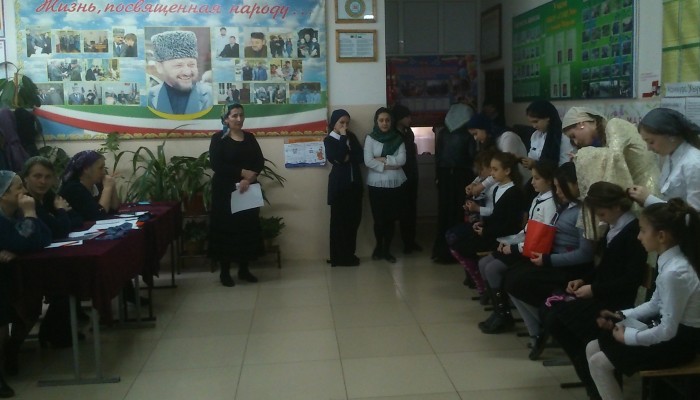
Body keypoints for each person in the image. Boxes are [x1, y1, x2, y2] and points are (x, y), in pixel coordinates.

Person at [586, 199, 700, 400]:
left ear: (661, 236)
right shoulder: (669, 260)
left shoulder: (675, 272)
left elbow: (668, 330)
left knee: (599, 362)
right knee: (592, 347)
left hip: (681, 343)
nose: (638, 236)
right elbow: (655, 304)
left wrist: (629, 337)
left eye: (643, 231)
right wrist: (620, 315)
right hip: (672, 333)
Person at [547, 182, 647, 399]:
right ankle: (589, 375)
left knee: (563, 322)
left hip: (616, 301)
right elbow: (604, 268)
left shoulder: (632, 232)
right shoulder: (614, 227)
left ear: (616, 207)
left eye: (602, 213)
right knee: (554, 316)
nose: (601, 219)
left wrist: (594, 289)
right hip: (603, 293)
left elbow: (630, 280)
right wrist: (584, 280)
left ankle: (596, 380)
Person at [503, 161, 594, 359]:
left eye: (561, 187)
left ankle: (547, 325)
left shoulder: (583, 212)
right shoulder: (566, 206)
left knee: (520, 281)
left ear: (575, 185)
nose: (557, 192)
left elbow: (585, 254)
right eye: (556, 187)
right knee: (510, 276)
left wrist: (549, 260)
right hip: (552, 260)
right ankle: (538, 328)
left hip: (570, 269)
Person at [476, 160, 557, 334]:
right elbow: (527, 230)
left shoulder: (551, 203)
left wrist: (513, 247)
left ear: (550, 180)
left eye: (537, 178)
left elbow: (540, 238)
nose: (532, 182)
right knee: (484, 263)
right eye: (532, 178)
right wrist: (510, 241)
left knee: (492, 268)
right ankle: (499, 311)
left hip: (532, 251)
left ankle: (504, 315)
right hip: (523, 245)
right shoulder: (538, 198)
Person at [562, 106, 659, 239]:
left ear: (581, 124)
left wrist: (582, 156)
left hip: (647, 188)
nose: (576, 142)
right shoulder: (604, 137)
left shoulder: (614, 124)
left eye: (573, 136)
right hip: (637, 188)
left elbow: (615, 157)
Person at [0, 170, 52, 398]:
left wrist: (29, 217)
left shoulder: (16, 213)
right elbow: (20, 241)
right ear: (3, 194)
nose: (24, 191)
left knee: (30, 304)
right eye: (18, 187)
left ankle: (11, 351)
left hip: (10, 275)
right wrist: (30, 214)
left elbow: (44, 238)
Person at [446, 152, 526, 301]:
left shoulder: (514, 193)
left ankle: (491, 293)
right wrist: (483, 223)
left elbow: (509, 223)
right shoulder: (497, 189)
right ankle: (489, 291)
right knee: (460, 243)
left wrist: (486, 230)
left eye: (495, 169)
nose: (491, 173)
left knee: (464, 246)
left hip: (505, 238)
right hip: (495, 233)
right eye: (491, 169)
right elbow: (496, 215)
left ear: (507, 171)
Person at [208, 104, 264, 287]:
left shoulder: (250, 137)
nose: (239, 119)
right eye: (234, 116)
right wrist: (242, 172)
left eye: (241, 115)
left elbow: (259, 161)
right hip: (225, 192)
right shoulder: (218, 139)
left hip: (247, 190)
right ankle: (224, 272)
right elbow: (216, 164)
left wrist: (249, 178)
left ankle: (244, 269)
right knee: (226, 230)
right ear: (226, 119)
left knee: (246, 228)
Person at [627, 107, 700, 211]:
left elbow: (694, 214)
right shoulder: (671, 157)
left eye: (651, 142)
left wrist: (649, 200)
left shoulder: (693, 163)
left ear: (671, 135)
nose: (649, 148)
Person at [432, 102, 477, 263]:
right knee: (459, 212)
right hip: (462, 175)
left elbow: (438, 157)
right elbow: (473, 157)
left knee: (444, 212)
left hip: (444, 176)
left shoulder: (443, 133)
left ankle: (440, 250)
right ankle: (457, 250)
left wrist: (437, 176)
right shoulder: (468, 134)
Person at [364, 107, 407, 263]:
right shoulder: (370, 138)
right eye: (381, 120)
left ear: (391, 121)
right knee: (379, 220)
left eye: (387, 120)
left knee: (390, 219)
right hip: (376, 184)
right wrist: (390, 164)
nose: (384, 123)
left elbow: (402, 160)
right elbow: (368, 161)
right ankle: (378, 247)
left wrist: (382, 159)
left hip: (395, 183)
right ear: (376, 122)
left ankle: (387, 250)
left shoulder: (398, 138)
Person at [323, 109, 363, 267]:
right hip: (339, 187)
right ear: (334, 123)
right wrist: (343, 137)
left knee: (353, 221)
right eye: (341, 122)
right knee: (339, 223)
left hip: (354, 186)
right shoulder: (329, 140)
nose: (345, 126)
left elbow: (361, 157)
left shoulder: (352, 137)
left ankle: (349, 255)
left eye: (347, 123)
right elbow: (338, 158)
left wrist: (348, 157)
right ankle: (338, 257)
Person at [147, 30, 213, 115]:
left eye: (191, 65)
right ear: (160, 67)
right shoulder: (149, 97)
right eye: (178, 65)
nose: (187, 72)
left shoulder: (210, 95)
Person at [392, 105, 422, 254]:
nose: (410, 119)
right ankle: (404, 242)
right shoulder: (393, 134)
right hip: (399, 175)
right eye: (407, 117)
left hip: (411, 174)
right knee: (402, 209)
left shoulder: (408, 132)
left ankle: (410, 241)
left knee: (411, 209)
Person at [59, 150, 119, 221]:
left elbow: (113, 209)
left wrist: (112, 185)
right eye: (100, 168)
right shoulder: (74, 188)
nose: (103, 172)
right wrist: (107, 188)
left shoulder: (96, 184)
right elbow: (99, 216)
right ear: (86, 169)